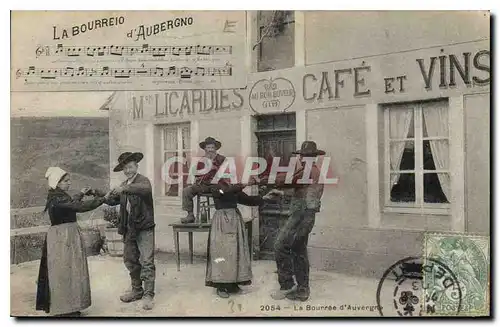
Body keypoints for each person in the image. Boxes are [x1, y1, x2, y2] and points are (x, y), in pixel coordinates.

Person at [36, 167, 108, 317]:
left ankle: (70, 305)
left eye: (69, 180)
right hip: (62, 238)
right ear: (57, 182)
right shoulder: (56, 198)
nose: (69, 183)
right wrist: (103, 199)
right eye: (66, 181)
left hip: (67, 235)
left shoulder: (59, 195)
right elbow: (77, 207)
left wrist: (81, 193)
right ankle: (63, 309)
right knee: (63, 272)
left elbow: (72, 203)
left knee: (71, 271)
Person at [265, 141, 326, 302]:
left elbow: (287, 180)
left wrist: (263, 179)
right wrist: (281, 193)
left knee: (280, 246)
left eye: (307, 156)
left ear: (313, 157)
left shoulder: (308, 170)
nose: (304, 158)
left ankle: (287, 286)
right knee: (298, 250)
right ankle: (302, 290)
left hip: (301, 215)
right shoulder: (312, 171)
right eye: (303, 156)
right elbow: (299, 190)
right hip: (306, 214)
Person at [100, 152, 156, 310]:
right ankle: (137, 290)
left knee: (147, 261)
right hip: (129, 229)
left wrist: (123, 188)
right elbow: (112, 200)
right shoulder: (124, 185)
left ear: (136, 166)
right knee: (130, 260)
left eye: (130, 167)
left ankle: (148, 295)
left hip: (144, 228)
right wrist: (98, 193)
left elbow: (143, 190)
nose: (128, 171)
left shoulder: (143, 182)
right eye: (125, 168)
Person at [205, 179, 272, 298]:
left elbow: (248, 200)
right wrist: (245, 184)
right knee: (222, 253)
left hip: (234, 220)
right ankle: (221, 285)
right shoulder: (216, 187)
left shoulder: (234, 188)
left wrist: (264, 197)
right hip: (221, 222)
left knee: (235, 252)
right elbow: (224, 192)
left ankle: (233, 283)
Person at [181, 136, 226, 224]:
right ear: (205, 149)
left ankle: (222, 217)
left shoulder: (222, 159)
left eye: (212, 147)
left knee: (223, 192)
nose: (210, 150)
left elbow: (227, 174)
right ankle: (190, 215)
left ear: (216, 149)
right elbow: (197, 174)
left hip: (218, 185)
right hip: (204, 185)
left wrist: (215, 169)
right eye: (208, 147)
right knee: (186, 190)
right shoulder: (201, 160)